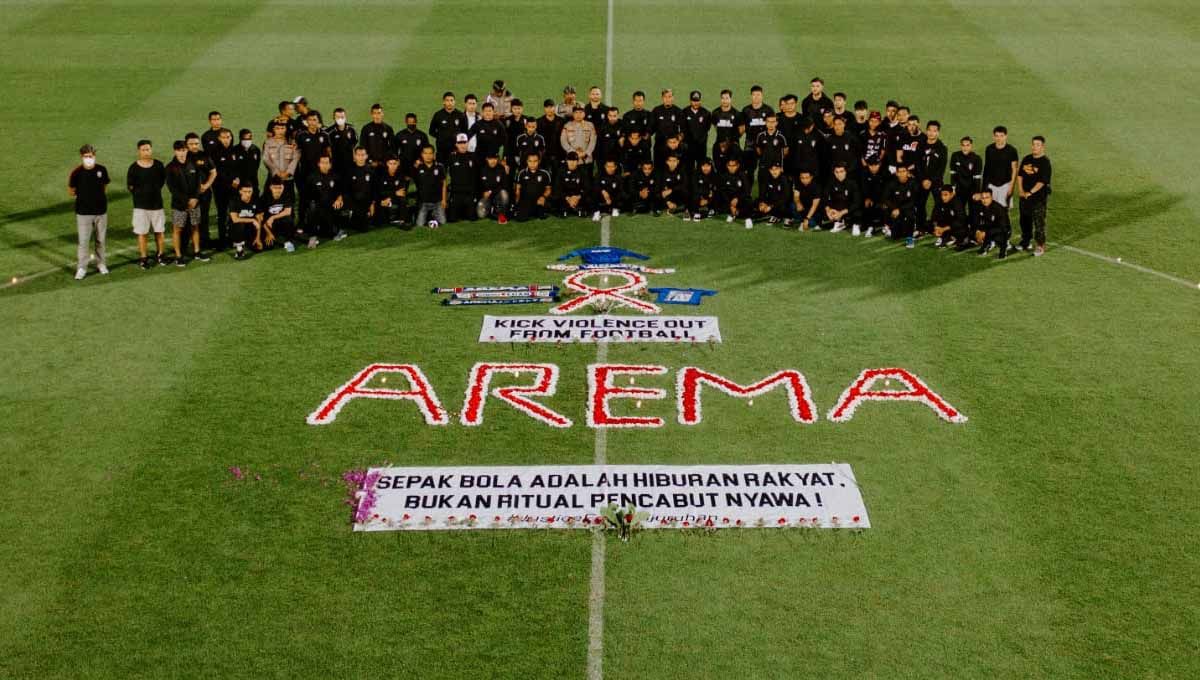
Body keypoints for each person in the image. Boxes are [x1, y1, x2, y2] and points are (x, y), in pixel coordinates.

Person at [69, 144, 110, 280]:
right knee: (83, 242)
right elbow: (71, 191)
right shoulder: (76, 172)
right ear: (82, 157)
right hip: (83, 213)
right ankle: (81, 268)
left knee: (101, 240)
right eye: (86, 156)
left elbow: (104, 187)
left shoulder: (102, 170)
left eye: (91, 156)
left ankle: (101, 264)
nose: (89, 158)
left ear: (94, 156)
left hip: (101, 212)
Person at [165, 140, 208, 266]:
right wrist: (186, 201)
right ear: (175, 151)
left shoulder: (193, 164)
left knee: (195, 227)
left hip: (195, 202)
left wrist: (195, 198)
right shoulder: (170, 167)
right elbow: (172, 188)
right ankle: (178, 256)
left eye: (183, 150)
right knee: (177, 229)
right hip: (179, 205)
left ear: (187, 150)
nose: (182, 153)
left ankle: (197, 252)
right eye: (179, 150)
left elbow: (198, 182)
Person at [126, 139, 167, 268]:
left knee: (159, 231)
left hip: (157, 205)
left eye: (148, 149)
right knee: (142, 233)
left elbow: (161, 182)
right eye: (143, 150)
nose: (146, 152)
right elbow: (130, 186)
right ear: (139, 151)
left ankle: (160, 255)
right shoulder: (133, 167)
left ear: (151, 149)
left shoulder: (159, 165)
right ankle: (143, 258)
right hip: (140, 207)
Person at [1016, 135, 1052, 255]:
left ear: (1043, 147)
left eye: (1038, 145)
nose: (1034, 147)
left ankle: (1040, 246)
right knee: (1024, 220)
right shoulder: (1027, 159)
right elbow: (1020, 175)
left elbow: (1042, 182)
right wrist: (1021, 190)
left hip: (1038, 199)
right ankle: (1026, 241)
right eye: (1033, 144)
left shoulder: (1045, 162)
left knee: (1039, 223)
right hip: (1024, 197)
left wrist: (1029, 192)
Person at [294, 112, 331, 226]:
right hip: (305, 173)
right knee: (304, 198)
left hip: (320, 173)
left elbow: (329, 152)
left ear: (318, 121)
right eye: (310, 120)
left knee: (321, 197)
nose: (312, 122)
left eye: (314, 120)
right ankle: (301, 222)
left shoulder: (324, 135)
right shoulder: (301, 136)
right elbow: (297, 153)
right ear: (306, 122)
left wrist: (329, 167)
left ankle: (321, 222)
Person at [211, 128, 242, 250]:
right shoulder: (214, 153)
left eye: (228, 137)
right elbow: (217, 172)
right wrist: (231, 181)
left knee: (234, 213)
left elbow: (239, 168)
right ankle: (222, 241)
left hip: (234, 188)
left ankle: (234, 238)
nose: (226, 140)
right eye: (223, 137)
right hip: (220, 189)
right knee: (222, 214)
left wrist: (238, 179)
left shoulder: (234, 151)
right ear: (219, 138)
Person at [185, 133, 216, 249]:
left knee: (204, 217)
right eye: (191, 144)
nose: (194, 146)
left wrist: (207, 185)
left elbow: (213, 172)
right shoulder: (184, 156)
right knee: (189, 219)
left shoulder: (204, 155)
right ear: (186, 144)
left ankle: (205, 241)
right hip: (190, 195)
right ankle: (187, 243)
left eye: (196, 144)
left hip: (204, 193)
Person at [303, 155, 343, 245]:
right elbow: (307, 196)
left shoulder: (335, 176)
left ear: (330, 165)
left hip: (331, 206)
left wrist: (339, 199)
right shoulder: (312, 177)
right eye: (322, 163)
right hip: (318, 206)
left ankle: (336, 229)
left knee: (329, 233)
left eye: (327, 163)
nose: (325, 165)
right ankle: (313, 236)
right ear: (319, 164)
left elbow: (340, 191)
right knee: (312, 207)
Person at [916, 120, 947, 226]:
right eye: (929, 130)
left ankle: (935, 224)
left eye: (934, 131)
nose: (931, 133)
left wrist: (931, 180)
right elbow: (918, 164)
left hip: (936, 181)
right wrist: (923, 179)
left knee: (940, 203)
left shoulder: (942, 148)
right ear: (926, 131)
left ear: (938, 133)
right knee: (919, 203)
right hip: (922, 180)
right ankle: (921, 226)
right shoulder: (920, 145)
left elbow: (941, 168)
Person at [883, 165, 920, 246]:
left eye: (904, 171)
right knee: (895, 236)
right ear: (896, 173)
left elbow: (914, 201)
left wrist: (899, 209)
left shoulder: (913, 183)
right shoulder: (892, 183)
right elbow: (886, 199)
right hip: (895, 209)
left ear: (907, 172)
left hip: (908, 208)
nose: (902, 174)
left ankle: (910, 238)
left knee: (910, 215)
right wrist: (894, 208)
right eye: (900, 172)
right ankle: (892, 227)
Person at [741, 85, 773, 179]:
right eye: (754, 95)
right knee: (749, 170)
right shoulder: (746, 110)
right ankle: (747, 192)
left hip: (765, 143)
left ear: (762, 96)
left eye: (758, 95)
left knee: (766, 168)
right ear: (751, 96)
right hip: (750, 143)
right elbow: (742, 127)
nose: (756, 97)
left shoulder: (768, 110)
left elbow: (772, 126)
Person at [983, 125, 1019, 208]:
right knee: (990, 209)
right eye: (997, 136)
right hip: (991, 185)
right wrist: (984, 187)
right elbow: (987, 167)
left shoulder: (1012, 150)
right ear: (993, 136)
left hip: (1005, 185)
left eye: (1001, 136)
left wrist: (1011, 187)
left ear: (1006, 136)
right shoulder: (989, 149)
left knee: (1004, 212)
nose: (999, 138)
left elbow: (1014, 169)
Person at [413, 145, 447, 228]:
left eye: (430, 153)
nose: (428, 156)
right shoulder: (418, 167)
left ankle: (432, 214)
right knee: (419, 224)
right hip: (423, 202)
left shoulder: (439, 167)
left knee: (443, 222)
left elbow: (444, 184)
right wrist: (414, 166)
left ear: (434, 154)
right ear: (422, 155)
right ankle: (423, 214)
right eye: (425, 153)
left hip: (437, 201)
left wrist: (444, 200)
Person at [447, 133, 478, 222]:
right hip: (456, 192)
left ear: (467, 143)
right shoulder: (451, 157)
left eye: (464, 142)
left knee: (472, 218)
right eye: (460, 143)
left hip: (469, 192)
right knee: (452, 219)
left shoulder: (473, 156)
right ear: (456, 144)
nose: (462, 145)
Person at [262, 121, 298, 198]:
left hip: (288, 178)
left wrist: (288, 172)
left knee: (289, 199)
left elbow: (295, 158)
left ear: (286, 129)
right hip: (273, 177)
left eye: (282, 128)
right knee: (270, 199)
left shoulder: (292, 142)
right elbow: (266, 159)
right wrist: (276, 171)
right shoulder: (268, 142)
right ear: (273, 130)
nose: (280, 131)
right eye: (277, 128)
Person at [257, 177, 294, 252]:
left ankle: (287, 240)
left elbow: (288, 212)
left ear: (283, 187)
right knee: (269, 246)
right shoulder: (264, 198)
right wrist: (269, 233)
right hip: (268, 225)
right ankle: (277, 238)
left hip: (280, 222)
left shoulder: (286, 195)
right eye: (275, 188)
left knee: (288, 219)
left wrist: (273, 217)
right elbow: (260, 219)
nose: (278, 190)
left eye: (280, 188)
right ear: (271, 187)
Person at [715, 156, 752, 229]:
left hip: (740, 199)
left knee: (748, 200)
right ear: (727, 165)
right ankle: (732, 213)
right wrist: (730, 205)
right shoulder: (724, 176)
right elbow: (723, 191)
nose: (731, 168)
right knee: (718, 197)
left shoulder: (743, 175)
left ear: (738, 165)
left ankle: (747, 218)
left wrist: (737, 198)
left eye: (734, 166)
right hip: (729, 200)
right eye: (729, 166)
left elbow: (747, 191)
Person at [513, 153, 553, 221]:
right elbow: (518, 190)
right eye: (530, 161)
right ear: (527, 161)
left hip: (539, 200)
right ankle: (528, 211)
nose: (532, 163)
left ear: (539, 161)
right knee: (520, 218)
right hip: (526, 200)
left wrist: (543, 197)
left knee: (541, 215)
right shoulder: (521, 173)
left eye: (535, 161)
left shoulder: (545, 173)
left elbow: (548, 189)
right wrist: (517, 204)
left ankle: (538, 211)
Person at [822, 164, 860, 232]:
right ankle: (839, 223)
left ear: (845, 172)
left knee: (858, 212)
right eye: (837, 172)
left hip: (849, 209)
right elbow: (825, 197)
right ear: (834, 173)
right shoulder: (831, 182)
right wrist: (828, 210)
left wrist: (841, 213)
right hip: (836, 208)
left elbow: (857, 202)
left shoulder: (853, 183)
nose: (839, 174)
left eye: (841, 171)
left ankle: (855, 224)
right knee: (822, 211)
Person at [949, 136, 984, 212]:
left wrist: (977, 192)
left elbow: (977, 178)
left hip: (972, 190)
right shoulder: (955, 156)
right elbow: (953, 174)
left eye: (967, 145)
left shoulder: (977, 159)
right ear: (960, 146)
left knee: (974, 213)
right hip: (959, 190)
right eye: (963, 145)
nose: (965, 148)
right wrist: (953, 189)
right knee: (959, 212)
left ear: (971, 146)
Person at [374, 155, 410, 227]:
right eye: (390, 163)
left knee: (403, 199)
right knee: (379, 221)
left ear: (398, 164)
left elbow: (401, 192)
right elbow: (380, 192)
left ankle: (402, 220)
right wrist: (393, 193)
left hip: (394, 198)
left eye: (394, 163)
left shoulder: (401, 175)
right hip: (384, 199)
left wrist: (391, 195)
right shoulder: (382, 175)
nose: (393, 166)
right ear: (387, 164)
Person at [227, 184, 261, 259]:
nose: (248, 194)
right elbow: (235, 219)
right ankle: (239, 249)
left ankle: (247, 242)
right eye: (245, 191)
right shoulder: (234, 201)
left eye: (250, 191)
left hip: (249, 228)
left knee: (260, 248)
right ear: (240, 191)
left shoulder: (255, 201)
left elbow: (259, 220)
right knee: (239, 224)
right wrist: (252, 220)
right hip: (235, 229)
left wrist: (258, 238)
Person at [974, 190, 1011, 258]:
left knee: (998, 237)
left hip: (1002, 230)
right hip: (989, 227)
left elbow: (1004, 227)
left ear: (992, 197)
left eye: (987, 197)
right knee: (972, 232)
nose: (984, 200)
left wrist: (986, 233)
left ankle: (1004, 249)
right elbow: (976, 220)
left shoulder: (999, 209)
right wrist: (978, 231)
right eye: (983, 198)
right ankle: (987, 245)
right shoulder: (979, 206)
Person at [429, 92, 465, 163]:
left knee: (455, 170)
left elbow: (464, 131)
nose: (449, 103)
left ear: (454, 102)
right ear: (444, 102)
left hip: (456, 149)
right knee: (442, 171)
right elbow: (431, 131)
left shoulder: (460, 115)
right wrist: (441, 137)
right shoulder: (438, 115)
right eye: (447, 100)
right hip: (442, 149)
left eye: (451, 100)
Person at [754, 113, 789, 186]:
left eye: (773, 122)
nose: (771, 124)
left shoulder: (781, 136)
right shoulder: (760, 135)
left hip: (776, 166)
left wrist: (780, 165)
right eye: (768, 121)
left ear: (776, 123)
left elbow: (785, 151)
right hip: (764, 165)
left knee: (776, 187)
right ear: (765, 122)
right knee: (763, 187)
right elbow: (758, 150)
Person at [346, 147, 375, 232]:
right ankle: (353, 215)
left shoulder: (371, 171)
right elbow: (347, 190)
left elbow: (374, 189)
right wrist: (352, 205)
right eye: (358, 155)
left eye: (363, 155)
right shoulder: (349, 171)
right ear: (354, 156)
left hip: (367, 201)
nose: (361, 157)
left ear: (366, 156)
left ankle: (365, 216)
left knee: (368, 226)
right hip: (354, 202)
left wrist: (372, 204)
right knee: (362, 228)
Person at [651, 88, 682, 166]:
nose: (667, 99)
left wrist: (677, 142)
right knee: (659, 168)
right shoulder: (656, 110)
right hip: (659, 145)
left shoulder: (678, 111)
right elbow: (651, 128)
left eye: (670, 96)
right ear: (662, 98)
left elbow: (683, 129)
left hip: (673, 146)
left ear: (673, 98)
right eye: (665, 97)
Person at [477, 151, 510, 223]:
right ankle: (493, 211)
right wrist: (482, 193)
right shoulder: (482, 169)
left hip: (497, 197)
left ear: (497, 159)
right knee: (481, 215)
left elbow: (504, 185)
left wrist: (490, 192)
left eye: (495, 158)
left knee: (504, 194)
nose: (493, 161)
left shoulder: (501, 169)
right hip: (486, 197)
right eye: (490, 159)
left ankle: (500, 213)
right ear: (487, 159)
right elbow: (478, 185)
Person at [682, 90, 711, 173]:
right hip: (688, 146)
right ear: (690, 101)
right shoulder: (684, 112)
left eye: (697, 101)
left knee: (701, 168)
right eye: (694, 101)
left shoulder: (706, 113)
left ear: (700, 100)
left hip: (701, 146)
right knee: (688, 167)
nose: (695, 103)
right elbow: (683, 128)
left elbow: (707, 128)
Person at [560, 105, 597, 170]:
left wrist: (586, 153)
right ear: (573, 114)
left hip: (586, 159)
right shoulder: (567, 125)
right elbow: (563, 141)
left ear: (584, 114)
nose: (578, 115)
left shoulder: (590, 125)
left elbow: (593, 141)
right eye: (576, 112)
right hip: (572, 159)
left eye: (580, 112)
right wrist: (573, 152)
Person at [325, 107, 358, 176]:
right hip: (336, 165)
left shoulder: (351, 130)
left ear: (345, 117)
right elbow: (328, 149)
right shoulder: (329, 132)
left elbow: (353, 145)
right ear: (334, 118)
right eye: (338, 117)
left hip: (349, 163)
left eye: (342, 117)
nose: (340, 119)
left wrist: (354, 158)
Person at [555, 152, 589, 217]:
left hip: (578, 196)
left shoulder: (582, 171)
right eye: (570, 160)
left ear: (578, 161)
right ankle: (572, 208)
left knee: (588, 198)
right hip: (565, 197)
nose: (572, 163)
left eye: (574, 160)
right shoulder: (561, 171)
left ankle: (573, 208)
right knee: (556, 198)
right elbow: (557, 187)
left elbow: (587, 187)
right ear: (566, 161)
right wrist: (568, 198)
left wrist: (578, 197)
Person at [859, 158, 887, 237]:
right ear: (868, 165)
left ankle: (887, 225)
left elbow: (887, 190)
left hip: (882, 198)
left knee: (887, 204)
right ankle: (870, 226)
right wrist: (867, 198)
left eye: (876, 165)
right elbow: (863, 189)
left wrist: (883, 201)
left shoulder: (885, 173)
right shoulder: (864, 173)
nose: (873, 168)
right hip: (870, 198)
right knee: (866, 203)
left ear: (880, 165)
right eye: (871, 165)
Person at [504, 99, 531, 169]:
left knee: (524, 173)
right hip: (511, 153)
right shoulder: (507, 121)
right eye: (515, 108)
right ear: (511, 109)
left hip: (524, 152)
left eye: (519, 108)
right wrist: (505, 155)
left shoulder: (527, 120)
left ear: (522, 108)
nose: (517, 111)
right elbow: (506, 139)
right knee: (510, 175)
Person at [537, 99, 565, 165]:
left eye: (551, 107)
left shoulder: (561, 121)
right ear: (544, 109)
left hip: (559, 154)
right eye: (547, 107)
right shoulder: (538, 122)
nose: (549, 109)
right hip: (544, 155)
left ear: (554, 107)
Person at [237, 129, 261, 195]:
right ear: (240, 138)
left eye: (249, 138)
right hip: (240, 181)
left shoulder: (256, 149)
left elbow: (257, 164)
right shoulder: (235, 150)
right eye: (245, 139)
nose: (247, 141)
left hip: (253, 180)